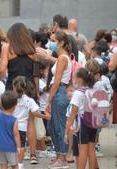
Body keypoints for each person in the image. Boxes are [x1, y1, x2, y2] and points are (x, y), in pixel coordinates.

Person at [0, 23, 40, 165]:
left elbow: (2, 69)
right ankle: (33, 154)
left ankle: (12, 151)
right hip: (29, 88)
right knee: (30, 122)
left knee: (9, 120)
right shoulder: (32, 51)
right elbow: (36, 75)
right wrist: (37, 93)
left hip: (12, 88)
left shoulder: (8, 48)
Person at [45, 31, 72, 169]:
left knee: (59, 126)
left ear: (61, 43)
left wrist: (49, 100)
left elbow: (56, 81)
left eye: (53, 40)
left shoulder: (62, 58)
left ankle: (63, 157)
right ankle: (58, 155)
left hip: (59, 92)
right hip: (59, 92)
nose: (51, 43)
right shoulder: (61, 57)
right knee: (52, 126)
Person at [12, 76, 50, 169]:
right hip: (22, 129)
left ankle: (12, 163)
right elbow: (34, 113)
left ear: (14, 87)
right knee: (21, 147)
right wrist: (45, 116)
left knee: (11, 147)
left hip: (11, 127)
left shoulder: (11, 98)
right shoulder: (29, 100)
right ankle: (19, 164)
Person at [65, 67, 99, 169]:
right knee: (91, 150)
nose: (74, 79)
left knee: (82, 151)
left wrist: (67, 130)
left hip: (83, 124)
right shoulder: (93, 90)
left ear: (80, 79)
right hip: (93, 123)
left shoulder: (78, 93)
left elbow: (73, 113)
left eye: (75, 77)